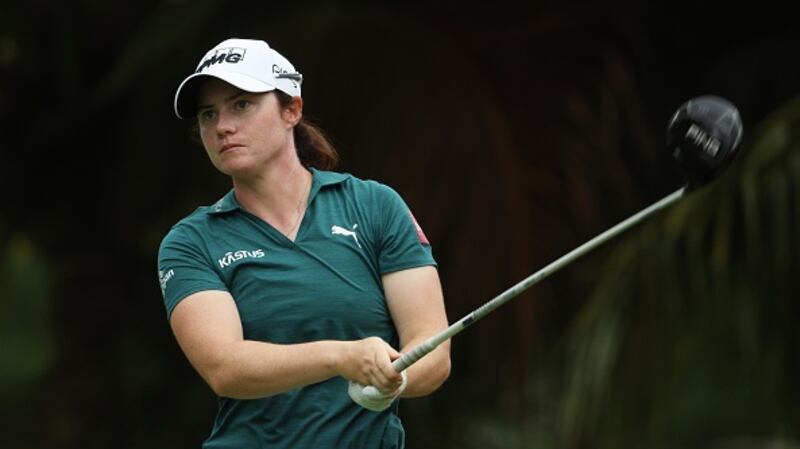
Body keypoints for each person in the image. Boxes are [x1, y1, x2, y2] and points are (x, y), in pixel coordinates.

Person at [157, 37, 451, 448]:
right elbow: (225, 367)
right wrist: (341, 357)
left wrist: (394, 378)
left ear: (291, 109)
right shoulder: (191, 241)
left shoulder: (375, 206)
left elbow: (432, 350)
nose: (222, 126)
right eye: (209, 114)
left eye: (241, 104)